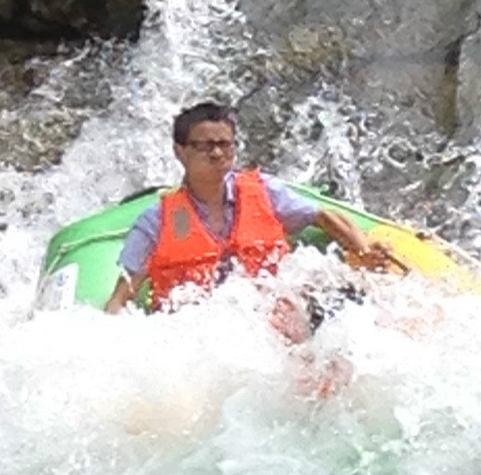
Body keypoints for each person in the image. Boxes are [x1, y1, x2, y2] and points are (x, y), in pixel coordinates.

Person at [104, 101, 392, 317]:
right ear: (181, 151)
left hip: (270, 313)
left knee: (343, 300)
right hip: (201, 327)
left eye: (224, 144)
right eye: (204, 146)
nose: (217, 153)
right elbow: (122, 296)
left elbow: (325, 217)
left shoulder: (263, 191)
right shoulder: (156, 222)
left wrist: (363, 251)